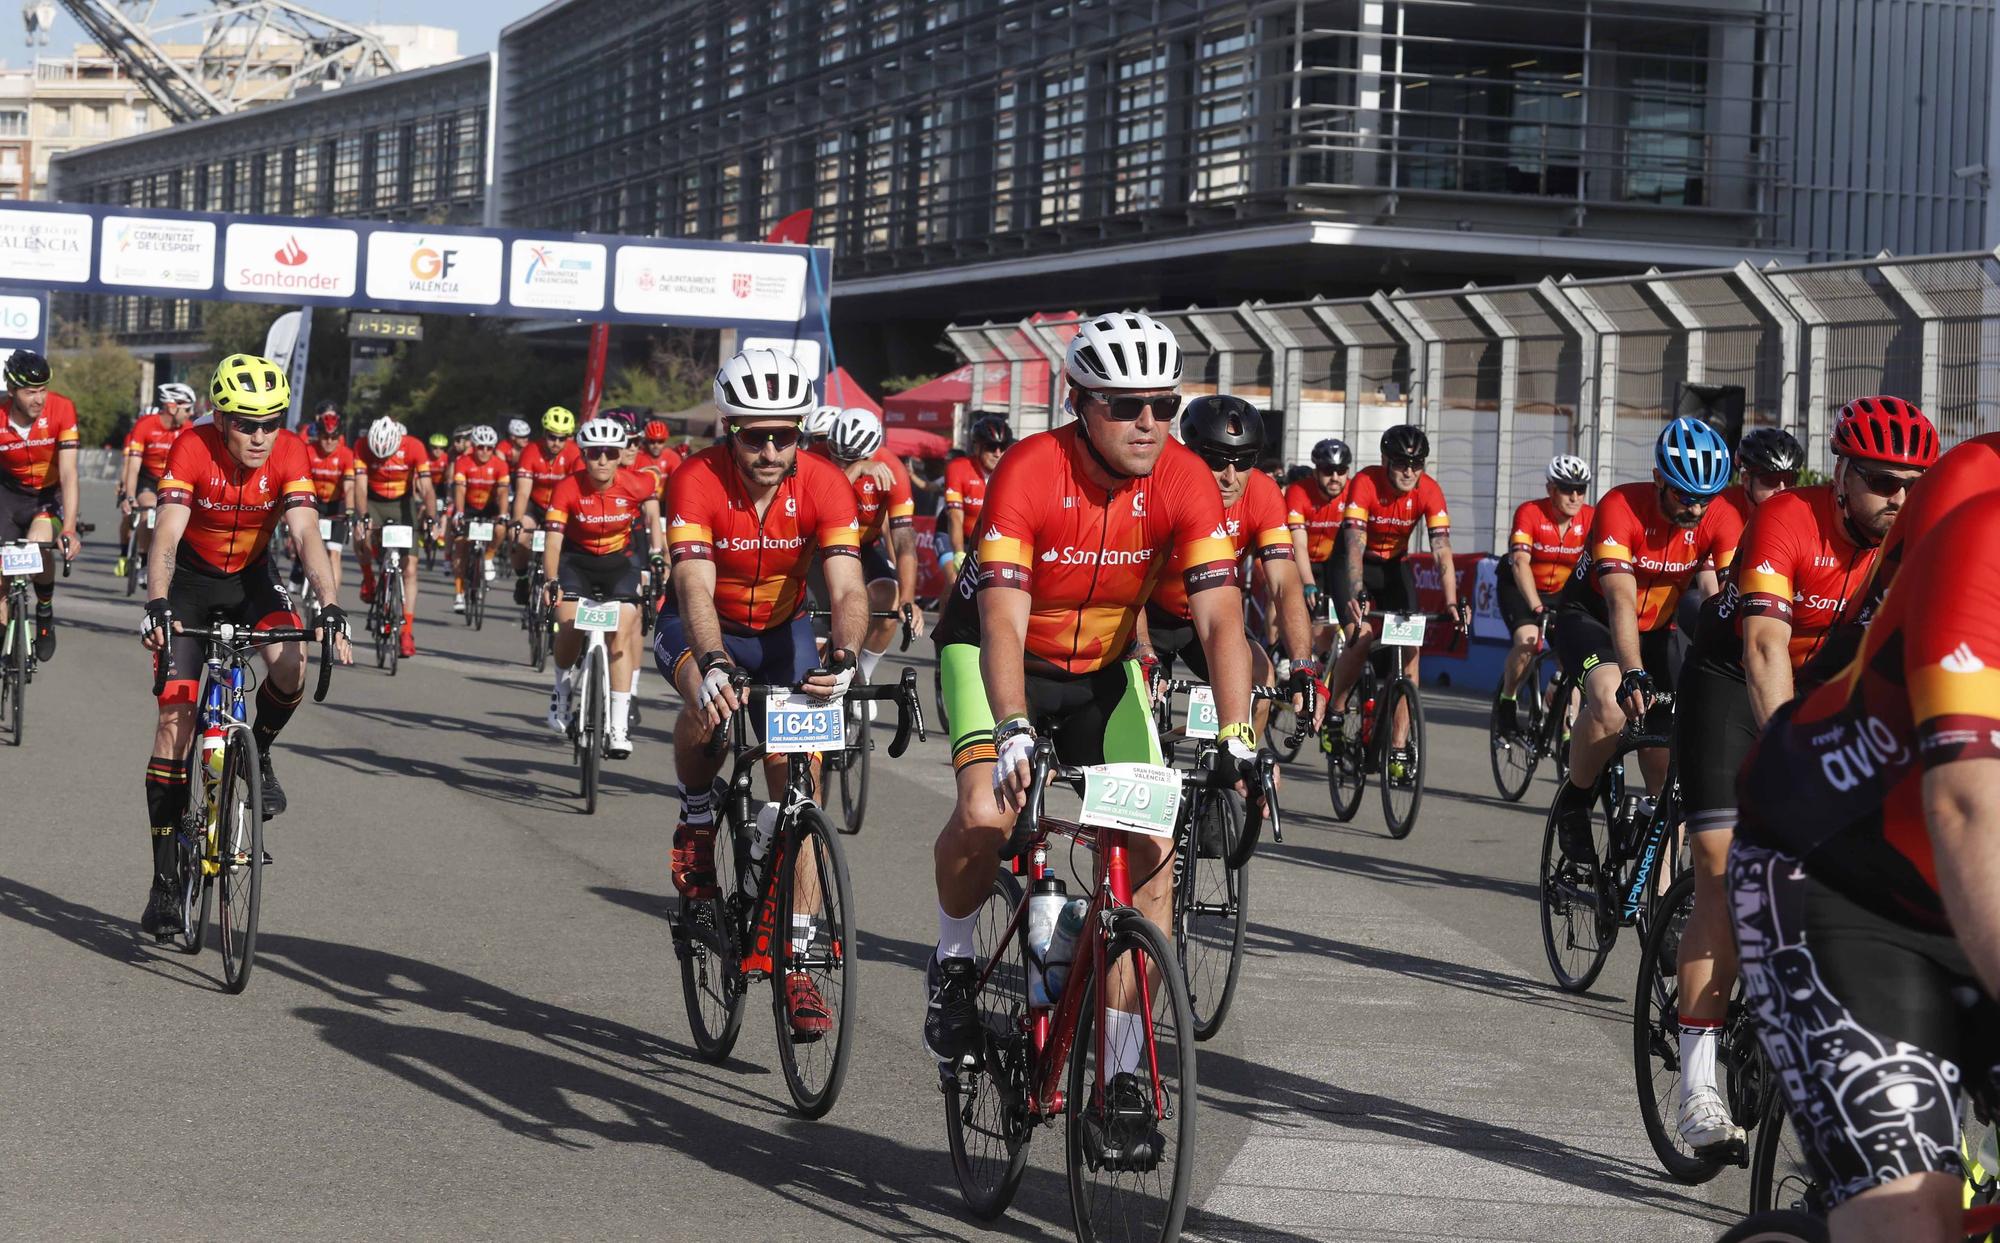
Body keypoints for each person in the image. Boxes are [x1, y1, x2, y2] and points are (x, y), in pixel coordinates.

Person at [923, 311, 1254, 1128]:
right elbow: (998, 620)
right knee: (987, 812)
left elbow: (1219, 618)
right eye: (1125, 405)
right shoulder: (1032, 471)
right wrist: (1009, 726)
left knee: (1151, 856)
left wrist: (1239, 735)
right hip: (996, 658)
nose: (1149, 422)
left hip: (1102, 672)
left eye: (1165, 405)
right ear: (1080, 401)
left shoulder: (1185, 479)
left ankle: (1123, 1073)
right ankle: (955, 960)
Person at [1729, 480, 2000, 1243]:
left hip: (1978, 887)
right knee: (1910, 1224)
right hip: (1838, 884)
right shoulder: (1985, 532)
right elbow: (1969, 803)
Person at [1670, 397, 1935, 1158]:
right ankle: (1697, 1086)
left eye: (1914, 485)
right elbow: (1761, 651)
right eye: (1885, 482)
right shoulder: (1789, 518)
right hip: (1731, 682)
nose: (1900, 500)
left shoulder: (1911, 538)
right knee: (1721, 870)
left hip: (1824, 689)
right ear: (1843, 471)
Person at [659, 348, 869, 1040]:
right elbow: (692, 582)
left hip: (783, 636)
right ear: (731, 431)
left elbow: (845, 587)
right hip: (704, 624)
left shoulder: (827, 484)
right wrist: (713, 660)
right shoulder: (695, 479)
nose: (771, 449)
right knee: (708, 702)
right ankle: (696, 820)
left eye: (785, 435)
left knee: (802, 788)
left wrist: (845, 653)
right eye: (756, 435)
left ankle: (799, 959)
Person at [137, 353, 352, 935]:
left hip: (252, 577)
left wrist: (329, 604)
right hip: (187, 584)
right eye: (245, 422)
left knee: (290, 664)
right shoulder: (191, 446)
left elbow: (305, 531)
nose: (259, 435)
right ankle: (163, 883)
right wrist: (157, 600)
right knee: (175, 723)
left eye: (271, 421)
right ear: (221, 416)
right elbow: (166, 533)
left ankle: (258, 750)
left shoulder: (289, 452)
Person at [1547, 416, 1742, 861]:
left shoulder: (1722, 516)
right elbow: (1619, 600)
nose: (1695, 509)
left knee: (1665, 758)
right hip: (1592, 620)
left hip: (1657, 631)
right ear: (1658, 479)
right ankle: (1575, 803)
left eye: (1705, 499)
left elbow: (1727, 601)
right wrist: (1632, 672)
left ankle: (1659, 897)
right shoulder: (1621, 506)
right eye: (1684, 495)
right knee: (1612, 703)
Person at [1139, 395, 1319, 742]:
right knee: (1137, 700)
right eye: (1216, 461)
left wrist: (1302, 664)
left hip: (1211, 617)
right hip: (1149, 612)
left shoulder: (1265, 495)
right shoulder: (1158, 485)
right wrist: (1143, 649)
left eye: (1244, 461)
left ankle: (1240, 778)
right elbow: (1126, 586)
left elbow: (1283, 583)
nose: (1230, 477)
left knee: (1263, 676)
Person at [1323, 425, 1466, 781]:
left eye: (1416, 464)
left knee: (1410, 657)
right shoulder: (1365, 483)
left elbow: (1441, 550)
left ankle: (1398, 748)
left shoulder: (1429, 490)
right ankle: (1336, 711)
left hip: (1393, 568)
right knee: (1363, 634)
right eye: (1401, 462)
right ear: (1386, 460)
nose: (1408, 471)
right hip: (1351, 565)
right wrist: (1358, 592)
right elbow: (1354, 545)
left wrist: (1451, 601)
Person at [542, 418, 663, 758]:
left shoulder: (636, 484)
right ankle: (562, 694)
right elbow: (553, 542)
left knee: (622, 632)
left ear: (620, 454)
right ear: (583, 454)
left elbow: (654, 520)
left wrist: (658, 554)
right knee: (569, 624)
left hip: (618, 565)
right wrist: (551, 579)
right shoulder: (567, 488)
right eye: (595, 453)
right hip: (575, 563)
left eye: (610, 453)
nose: (603, 461)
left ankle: (619, 724)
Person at [824, 407, 924, 699]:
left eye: (850, 459)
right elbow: (823, 501)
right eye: (837, 456)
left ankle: (864, 671)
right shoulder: (818, 456)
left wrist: (908, 598)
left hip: (862, 547)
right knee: (818, 627)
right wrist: (855, 470)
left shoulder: (893, 470)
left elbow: (904, 540)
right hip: (818, 548)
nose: (840, 462)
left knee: (889, 595)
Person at [1494, 454, 1594, 734]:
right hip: (1520, 587)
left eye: (1581, 489)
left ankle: (1566, 728)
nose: (1575, 496)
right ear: (1551, 489)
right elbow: (1520, 563)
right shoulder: (1530, 513)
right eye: (1566, 489)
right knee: (1528, 642)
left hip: (1561, 593)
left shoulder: (1590, 519)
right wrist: (1537, 608)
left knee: (1573, 659)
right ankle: (1508, 699)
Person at [0, 350, 81, 661]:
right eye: (30, 392)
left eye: (43, 389)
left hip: (47, 496)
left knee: (37, 546)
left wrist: (70, 528)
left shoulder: (62, 409)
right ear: (11, 390)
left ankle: (44, 613)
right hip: (7, 496)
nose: (39, 399)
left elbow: (70, 472)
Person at [354, 415, 438, 658]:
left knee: (410, 568)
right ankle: (369, 580)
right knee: (361, 536)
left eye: (386, 455)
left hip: (403, 505)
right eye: (377, 456)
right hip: (373, 501)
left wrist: (431, 517)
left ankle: (406, 632)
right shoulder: (361, 446)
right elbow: (360, 487)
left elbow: (427, 488)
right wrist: (363, 517)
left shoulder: (414, 446)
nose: (381, 459)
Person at [117, 382, 197, 587]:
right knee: (150, 512)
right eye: (187, 409)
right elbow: (132, 466)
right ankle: (144, 562)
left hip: (176, 480)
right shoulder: (145, 425)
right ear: (172, 407)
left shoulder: (189, 428)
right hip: (148, 479)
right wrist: (130, 495)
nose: (190, 413)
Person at [1285, 436, 1352, 653]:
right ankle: (1287, 653)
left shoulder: (1353, 492)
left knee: (1337, 624)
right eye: (1327, 471)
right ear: (1316, 472)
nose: (1335, 477)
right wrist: (1307, 583)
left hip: (1334, 562)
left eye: (1340, 471)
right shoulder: (1299, 492)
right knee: (1302, 609)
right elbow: (1299, 545)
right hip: (1302, 560)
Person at [509, 406, 580, 603]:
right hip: (536, 506)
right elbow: (523, 492)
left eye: (562, 438)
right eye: (551, 437)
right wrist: (516, 521)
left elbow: (578, 491)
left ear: (569, 437)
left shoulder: (575, 453)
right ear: (544, 433)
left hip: (562, 509)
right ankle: (522, 579)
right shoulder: (531, 451)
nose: (556, 443)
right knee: (518, 535)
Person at [297, 407, 357, 604]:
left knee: (334, 554)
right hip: (312, 504)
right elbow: (296, 482)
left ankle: (330, 601)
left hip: (336, 506)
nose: (329, 441)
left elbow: (349, 487)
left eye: (334, 437)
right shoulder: (307, 451)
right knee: (308, 547)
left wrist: (349, 509)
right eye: (325, 436)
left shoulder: (346, 455)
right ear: (318, 435)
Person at [450, 425, 511, 614]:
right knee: (461, 545)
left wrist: (502, 514)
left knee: (501, 529)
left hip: (489, 506)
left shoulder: (500, 465)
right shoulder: (463, 461)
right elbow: (459, 488)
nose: (484, 452)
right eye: (480, 447)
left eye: (489, 448)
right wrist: (459, 513)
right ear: (474, 446)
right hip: (468, 506)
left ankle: (488, 557)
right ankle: (459, 593)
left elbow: (502, 492)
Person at [941, 413, 1010, 573]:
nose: (998, 453)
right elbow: (955, 516)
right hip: (954, 534)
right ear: (977, 447)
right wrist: (958, 552)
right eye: (991, 447)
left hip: (988, 539)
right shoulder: (958, 467)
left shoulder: (1012, 470)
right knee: (954, 580)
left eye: (1003, 446)